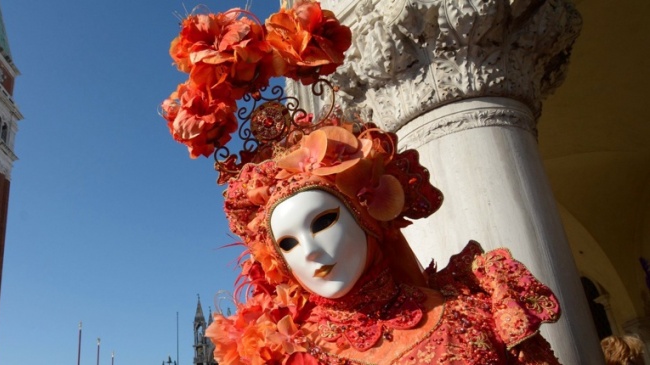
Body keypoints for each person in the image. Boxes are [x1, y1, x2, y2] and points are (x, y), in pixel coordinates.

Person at [161, 1, 563, 363]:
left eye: (323, 221)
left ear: (367, 214)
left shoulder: (471, 309)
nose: (312, 252)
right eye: (287, 244)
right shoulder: (290, 357)